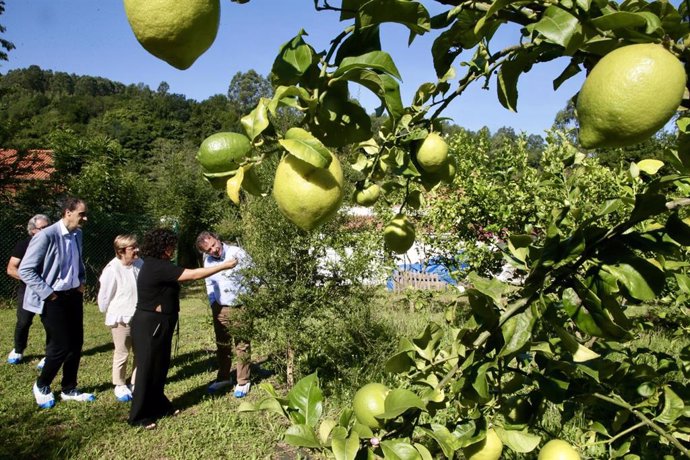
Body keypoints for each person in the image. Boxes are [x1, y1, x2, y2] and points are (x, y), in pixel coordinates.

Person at [129, 228, 238, 429]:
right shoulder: (156, 266)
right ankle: (138, 416)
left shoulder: (159, 264)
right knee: (147, 369)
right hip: (150, 324)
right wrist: (224, 266)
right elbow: (193, 275)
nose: (173, 249)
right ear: (163, 246)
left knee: (160, 367)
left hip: (161, 322)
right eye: (171, 245)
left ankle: (160, 406)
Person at [19, 197, 93, 409]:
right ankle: (42, 384)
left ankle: (69, 388)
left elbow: (76, 261)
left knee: (76, 343)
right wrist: (48, 294)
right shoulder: (46, 235)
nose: (85, 218)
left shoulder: (78, 233)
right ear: (67, 213)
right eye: (81, 214)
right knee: (60, 345)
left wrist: (81, 282)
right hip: (53, 298)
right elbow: (25, 269)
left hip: (73, 295)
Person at [195, 231, 253, 398]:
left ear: (218, 239)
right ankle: (224, 378)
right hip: (220, 308)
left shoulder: (237, 253)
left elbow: (254, 275)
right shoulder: (208, 260)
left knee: (242, 344)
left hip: (241, 306)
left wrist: (251, 299)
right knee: (222, 344)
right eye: (209, 249)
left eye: (214, 244)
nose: (214, 249)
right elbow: (209, 283)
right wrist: (213, 302)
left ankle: (243, 381)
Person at [97, 234, 143, 403]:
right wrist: (107, 311)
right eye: (133, 248)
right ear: (121, 251)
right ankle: (119, 384)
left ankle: (136, 382)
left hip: (139, 315)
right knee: (122, 351)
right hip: (121, 317)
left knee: (141, 351)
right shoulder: (113, 268)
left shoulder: (139, 263)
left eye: (137, 246)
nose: (137, 250)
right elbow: (105, 295)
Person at [7, 214, 51, 366]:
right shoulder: (23, 245)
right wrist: (33, 282)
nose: (47, 230)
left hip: (50, 291)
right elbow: (11, 269)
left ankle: (49, 355)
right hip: (28, 290)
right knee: (23, 322)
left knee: (51, 323)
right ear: (33, 230)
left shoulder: (53, 244)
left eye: (48, 227)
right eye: (43, 228)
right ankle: (18, 350)